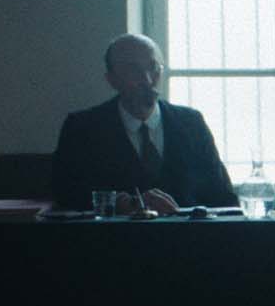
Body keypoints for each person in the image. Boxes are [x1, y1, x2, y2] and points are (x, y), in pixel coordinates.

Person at [52, 34, 237, 213]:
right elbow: (65, 194)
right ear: (111, 79)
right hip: (114, 233)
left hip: (185, 232)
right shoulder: (83, 128)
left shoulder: (191, 123)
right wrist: (117, 203)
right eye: (133, 70)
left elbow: (222, 195)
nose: (147, 79)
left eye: (154, 67)